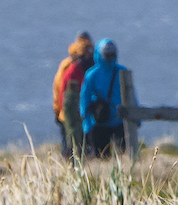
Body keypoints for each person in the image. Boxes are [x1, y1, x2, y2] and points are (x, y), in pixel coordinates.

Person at [80, 38, 127, 158]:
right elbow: (84, 98)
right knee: (102, 156)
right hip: (100, 122)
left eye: (112, 55)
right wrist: (87, 121)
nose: (110, 58)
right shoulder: (93, 75)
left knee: (121, 155)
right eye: (107, 55)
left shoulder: (121, 72)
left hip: (117, 120)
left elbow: (130, 95)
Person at [53, 32, 96, 160]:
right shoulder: (74, 68)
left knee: (71, 146)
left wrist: (57, 109)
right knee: (74, 146)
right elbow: (62, 91)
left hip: (65, 112)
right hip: (71, 113)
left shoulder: (67, 66)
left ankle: (71, 169)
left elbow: (57, 89)